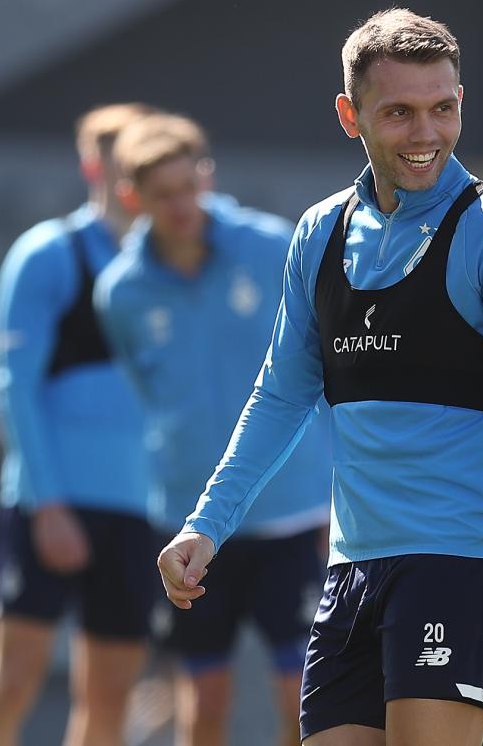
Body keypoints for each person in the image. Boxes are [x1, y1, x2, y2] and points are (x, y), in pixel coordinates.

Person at [156, 8, 483, 746]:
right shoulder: (319, 232)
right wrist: (208, 523)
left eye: (443, 108)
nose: (426, 133)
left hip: (457, 560)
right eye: (399, 112)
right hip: (352, 568)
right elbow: (281, 394)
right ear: (350, 115)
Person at [95, 113, 332, 746]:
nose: (180, 206)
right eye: (162, 194)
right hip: (187, 519)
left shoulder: (274, 246)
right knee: (202, 702)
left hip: (291, 511)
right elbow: (147, 390)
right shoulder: (121, 291)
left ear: (207, 176)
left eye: (188, 186)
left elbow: (324, 371)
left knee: (302, 699)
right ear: (132, 198)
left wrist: (335, 491)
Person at [0, 103, 159, 746]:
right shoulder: (48, 253)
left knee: (109, 697)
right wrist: (47, 505)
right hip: (52, 506)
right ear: (94, 166)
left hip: (138, 512)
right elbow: (14, 386)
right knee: (11, 682)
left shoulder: (165, 269)